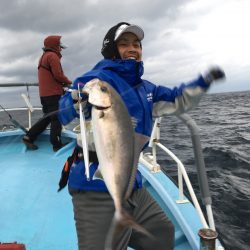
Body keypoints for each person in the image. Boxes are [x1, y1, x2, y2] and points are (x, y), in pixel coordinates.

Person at [58, 22, 225, 250]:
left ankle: (124, 222)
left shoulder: (145, 88)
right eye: (124, 44)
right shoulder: (96, 80)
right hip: (94, 184)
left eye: (137, 44)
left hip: (130, 179)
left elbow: (177, 99)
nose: (133, 48)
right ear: (111, 49)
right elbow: (65, 113)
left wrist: (204, 81)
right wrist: (78, 100)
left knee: (161, 232)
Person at [22, 35, 72, 152]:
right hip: (53, 94)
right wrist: (69, 82)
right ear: (55, 46)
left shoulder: (43, 56)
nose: (61, 49)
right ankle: (56, 144)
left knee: (48, 117)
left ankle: (29, 137)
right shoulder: (52, 56)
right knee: (56, 118)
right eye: (59, 46)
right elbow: (58, 75)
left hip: (44, 94)